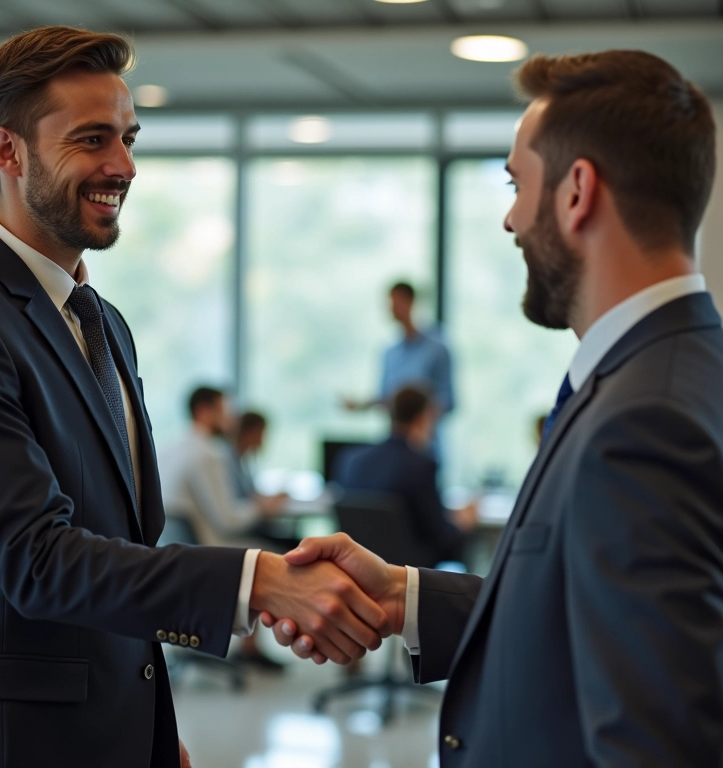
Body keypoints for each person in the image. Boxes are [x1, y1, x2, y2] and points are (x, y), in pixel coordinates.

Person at [266, 50, 723, 766]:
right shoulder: (668, 372)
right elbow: (579, 615)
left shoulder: (644, 420)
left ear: (577, 192)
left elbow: (656, 743)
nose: (510, 220)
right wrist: (404, 598)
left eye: (516, 185)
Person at [0, 27, 387, 768]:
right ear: (8, 152)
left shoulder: (105, 324)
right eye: (92, 140)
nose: (121, 166)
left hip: (119, 725)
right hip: (20, 742)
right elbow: (36, 560)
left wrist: (153, 722)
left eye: (128, 138)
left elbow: (122, 548)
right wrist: (259, 582)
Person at [337, 385, 477, 569]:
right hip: (408, 574)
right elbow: (442, 537)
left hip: (359, 568)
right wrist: (463, 523)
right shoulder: (421, 466)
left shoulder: (350, 460)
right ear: (422, 418)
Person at [160, 388, 286, 547]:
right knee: (286, 552)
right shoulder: (208, 454)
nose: (231, 420)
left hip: (178, 549)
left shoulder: (169, 448)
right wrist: (262, 508)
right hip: (213, 547)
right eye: (224, 411)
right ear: (203, 411)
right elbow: (228, 521)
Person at [343, 281, 455, 459]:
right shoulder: (389, 353)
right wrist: (362, 406)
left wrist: (421, 425)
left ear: (411, 302)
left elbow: (448, 400)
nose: (392, 308)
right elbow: (385, 398)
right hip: (394, 448)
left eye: (396, 301)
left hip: (426, 449)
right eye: (389, 303)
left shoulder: (437, 349)